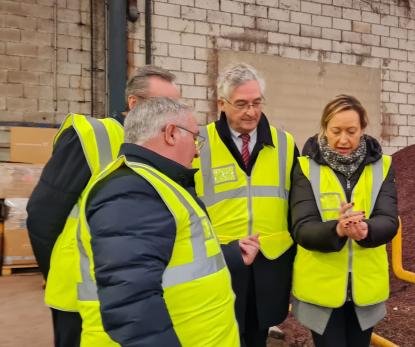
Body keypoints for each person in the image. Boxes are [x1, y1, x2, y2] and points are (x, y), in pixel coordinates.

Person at [26, 65, 180, 347]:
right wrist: (56, 271)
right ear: (133, 104)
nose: (172, 116)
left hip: (136, 295)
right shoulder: (91, 137)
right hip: (81, 296)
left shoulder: (162, 148)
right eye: (163, 105)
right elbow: (42, 215)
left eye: (175, 106)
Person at [75, 97, 247, 346]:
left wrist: (230, 254)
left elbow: (175, 257)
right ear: (171, 134)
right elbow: (132, 303)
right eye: (195, 137)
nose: (198, 150)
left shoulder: (157, 184)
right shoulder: (131, 191)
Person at [192, 63, 298, 347]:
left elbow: (296, 206)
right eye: (241, 104)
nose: (251, 112)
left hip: (268, 264)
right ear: (222, 104)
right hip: (218, 261)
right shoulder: (198, 143)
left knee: (256, 337)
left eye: (256, 103)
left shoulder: (285, 144)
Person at [290, 95, 398, 347]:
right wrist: (337, 229)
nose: (343, 140)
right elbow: (302, 227)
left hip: (366, 290)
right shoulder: (305, 168)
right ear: (324, 128)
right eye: (335, 131)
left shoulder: (383, 166)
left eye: (351, 131)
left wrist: (366, 230)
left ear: (363, 129)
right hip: (321, 290)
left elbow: (389, 219)